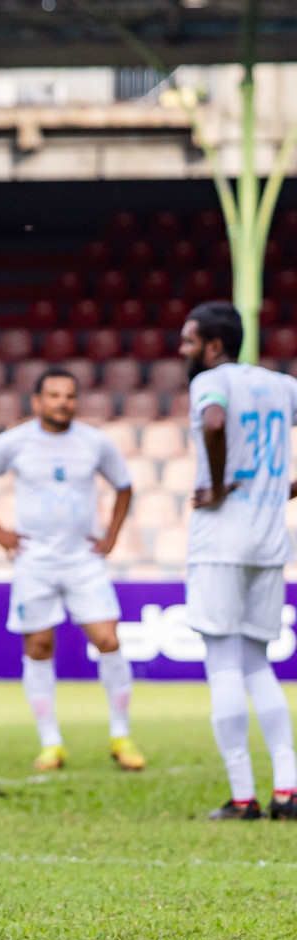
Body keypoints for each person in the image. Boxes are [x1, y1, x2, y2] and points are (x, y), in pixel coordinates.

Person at [0, 368, 143, 772]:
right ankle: (51, 743)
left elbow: (124, 485)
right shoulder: (16, 441)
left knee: (108, 639)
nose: (62, 402)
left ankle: (121, 735)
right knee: (39, 647)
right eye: (54, 395)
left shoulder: (95, 443)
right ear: (38, 402)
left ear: (76, 402)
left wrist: (112, 535)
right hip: (35, 561)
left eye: (69, 396)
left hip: (84, 560)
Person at [177, 300, 297, 822]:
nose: (183, 350)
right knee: (256, 662)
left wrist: (222, 487)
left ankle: (243, 795)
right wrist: (283, 488)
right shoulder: (281, 384)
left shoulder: (211, 380)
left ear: (215, 345)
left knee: (223, 663)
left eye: (189, 341)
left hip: (223, 538)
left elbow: (215, 421)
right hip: (271, 539)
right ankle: (288, 789)